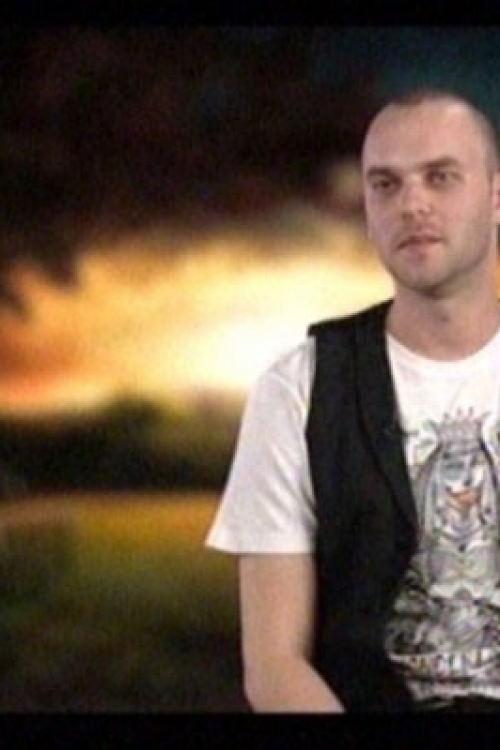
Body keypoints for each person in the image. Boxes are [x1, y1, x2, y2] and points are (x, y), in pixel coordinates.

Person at [205, 87, 500, 712]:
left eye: (440, 176)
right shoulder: (299, 389)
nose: (411, 203)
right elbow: (274, 666)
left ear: (496, 195)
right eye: (385, 185)